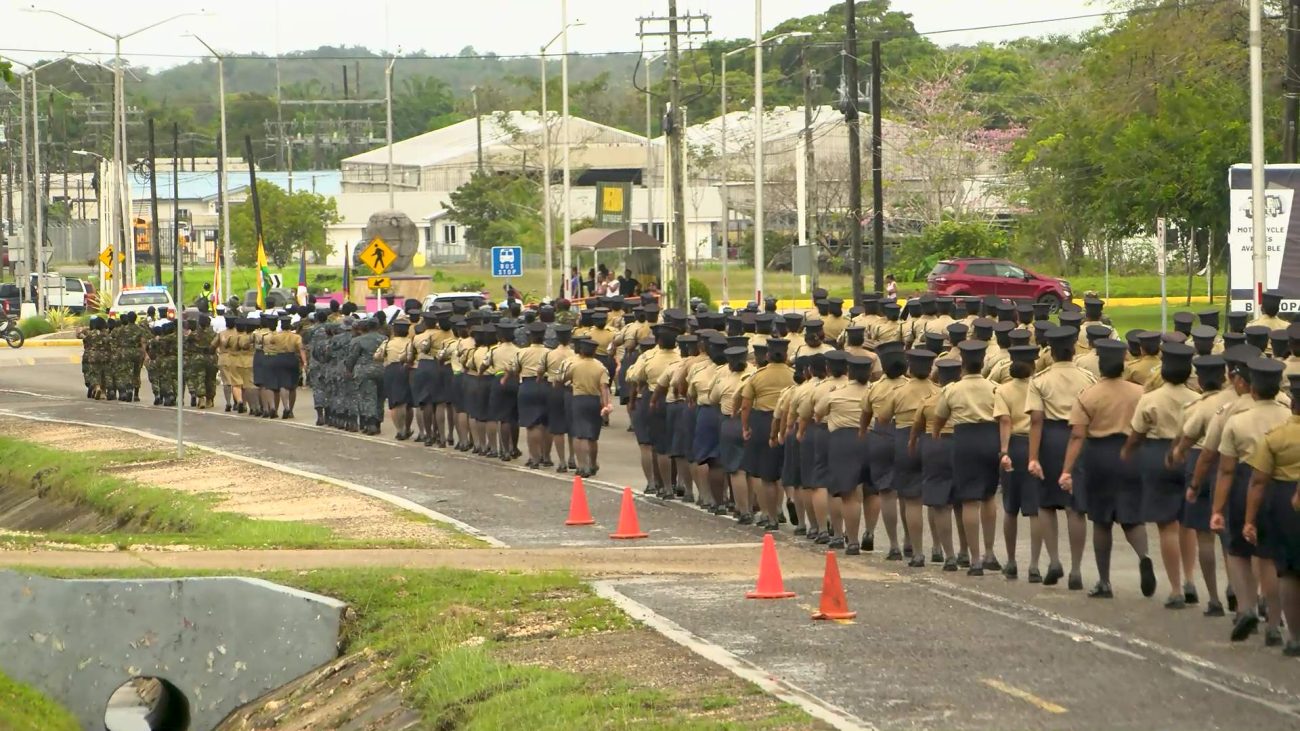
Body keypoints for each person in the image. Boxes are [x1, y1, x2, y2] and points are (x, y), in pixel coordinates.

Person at [1060, 339, 1151, 599]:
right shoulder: (1139, 392)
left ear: (1100, 365)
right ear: (1123, 364)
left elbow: (1078, 435)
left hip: (1099, 455)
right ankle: (1144, 556)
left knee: (1101, 520)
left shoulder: (1089, 395)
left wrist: (1067, 469)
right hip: (1132, 453)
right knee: (1132, 515)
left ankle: (1104, 581)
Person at [1211, 357, 1291, 645]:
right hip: (1280, 483)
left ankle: (1246, 606)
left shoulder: (1237, 420)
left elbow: (1226, 469)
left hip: (1244, 481)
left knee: (1237, 550)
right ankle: (1273, 620)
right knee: (1269, 555)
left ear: (1252, 388)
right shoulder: (1287, 417)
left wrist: (1217, 508)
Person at [1122, 342, 1199, 608]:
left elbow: (1137, 433)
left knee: (1167, 526)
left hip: (1158, 454)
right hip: (1191, 456)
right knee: (1188, 523)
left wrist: (1127, 453)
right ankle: (1190, 580)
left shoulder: (1150, 398)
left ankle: (1176, 588)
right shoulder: (1197, 398)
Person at [1026, 326, 1096, 590]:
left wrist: (1033, 456)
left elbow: (1035, 419)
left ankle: (1054, 560)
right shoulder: (1088, 378)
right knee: (1075, 506)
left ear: (1051, 353)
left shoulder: (1040, 380)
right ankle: (1076, 568)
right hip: (1079, 435)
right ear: (1074, 350)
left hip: (1049, 438)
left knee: (1045, 503)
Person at [1170, 354, 1234, 616]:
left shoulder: (1199, 407)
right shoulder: (1238, 403)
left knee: (1204, 535)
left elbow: (1184, 441)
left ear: (1199, 381)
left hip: (1202, 462)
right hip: (1233, 463)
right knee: (1231, 534)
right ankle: (1236, 587)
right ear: (1225, 377)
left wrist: (1174, 456)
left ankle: (1215, 598)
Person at [1242, 372, 1300, 656]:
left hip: (1284, 501)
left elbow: (1258, 481)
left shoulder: (1277, 437)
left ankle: (1294, 636)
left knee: (1288, 571)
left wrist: (1250, 519)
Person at [933, 340, 1002, 575]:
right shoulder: (994, 387)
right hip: (990, 437)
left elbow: (939, 418)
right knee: (989, 497)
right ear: (982, 362)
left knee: (969, 500)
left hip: (965, 439)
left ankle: (974, 559)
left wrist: (935, 436)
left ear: (962, 363)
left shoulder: (953, 389)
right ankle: (990, 552)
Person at [878, 348, 940, 567]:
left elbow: (883, 418)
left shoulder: (899, 391)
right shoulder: (939, 390)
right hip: (934, 439)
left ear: (910, 368)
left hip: (906, 439)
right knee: (935, 498)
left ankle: (916, 550)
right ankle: (938, 547)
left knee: (910, 498)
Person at [815, 353, 874, 555]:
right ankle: (870, 533)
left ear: (849, 373)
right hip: (872, 438)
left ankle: (848, 539)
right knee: (871, 491)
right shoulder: (875, 391)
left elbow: (818, 414)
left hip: (843, 440)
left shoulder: (835, 393)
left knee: (846, 493)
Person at [996, 345, 1044, 580]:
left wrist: (1004, 452)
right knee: (1034, 508)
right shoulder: (1040, 387)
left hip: (1014, 444)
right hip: (1036, 445)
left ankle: (1012, 560)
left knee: (1010, 507)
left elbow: (1005, 421)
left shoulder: (1003, 390)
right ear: (1034, 365)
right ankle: (1034, 564)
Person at [741, 337, 795, 529]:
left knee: (767, 475)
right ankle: (791, 500)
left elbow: (746, 405)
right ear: (786, 355)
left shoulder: (757, 376)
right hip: (789, 422)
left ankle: (771, 516)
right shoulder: (793, 375)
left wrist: (745, 427)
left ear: (768, 355)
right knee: (787, 469)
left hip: (764, 423)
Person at [562, 336, 613, 477]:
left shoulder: (575, 365)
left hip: (579, 399)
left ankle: (582, 466)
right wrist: (606, 405)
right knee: (592, 436)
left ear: (582, 351)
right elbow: (604, 387)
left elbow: (564, 378)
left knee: (579, 434)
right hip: (595, 400)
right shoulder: (600, 367)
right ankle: (593, 463)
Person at [512, 322, 551, 468]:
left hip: (528, 385)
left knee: (531, 424)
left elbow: (515, 369)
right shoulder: (549, 352)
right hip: (547, 385)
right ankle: (546, 456)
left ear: (530, 337)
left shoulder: (522, 352)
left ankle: (534, 458)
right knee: (547, 423)